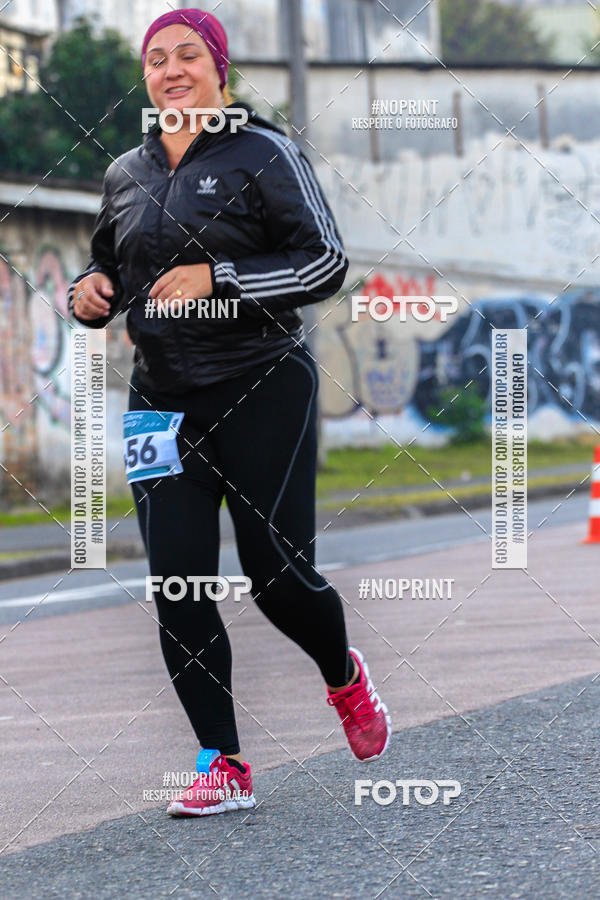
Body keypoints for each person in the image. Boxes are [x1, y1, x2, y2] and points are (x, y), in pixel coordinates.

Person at [68, 8, 391, 818]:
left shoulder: (264, 152)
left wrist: (221, 279)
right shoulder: (124, 175)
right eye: (156, 60)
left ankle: (343, 677)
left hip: (262, 381)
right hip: (159, 401)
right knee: (177, 580)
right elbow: (107, 267)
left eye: (187, 55)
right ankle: (223, 763)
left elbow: (324, 261)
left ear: (219, 69)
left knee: (274, 574)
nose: (171, 70)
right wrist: (88, 294)